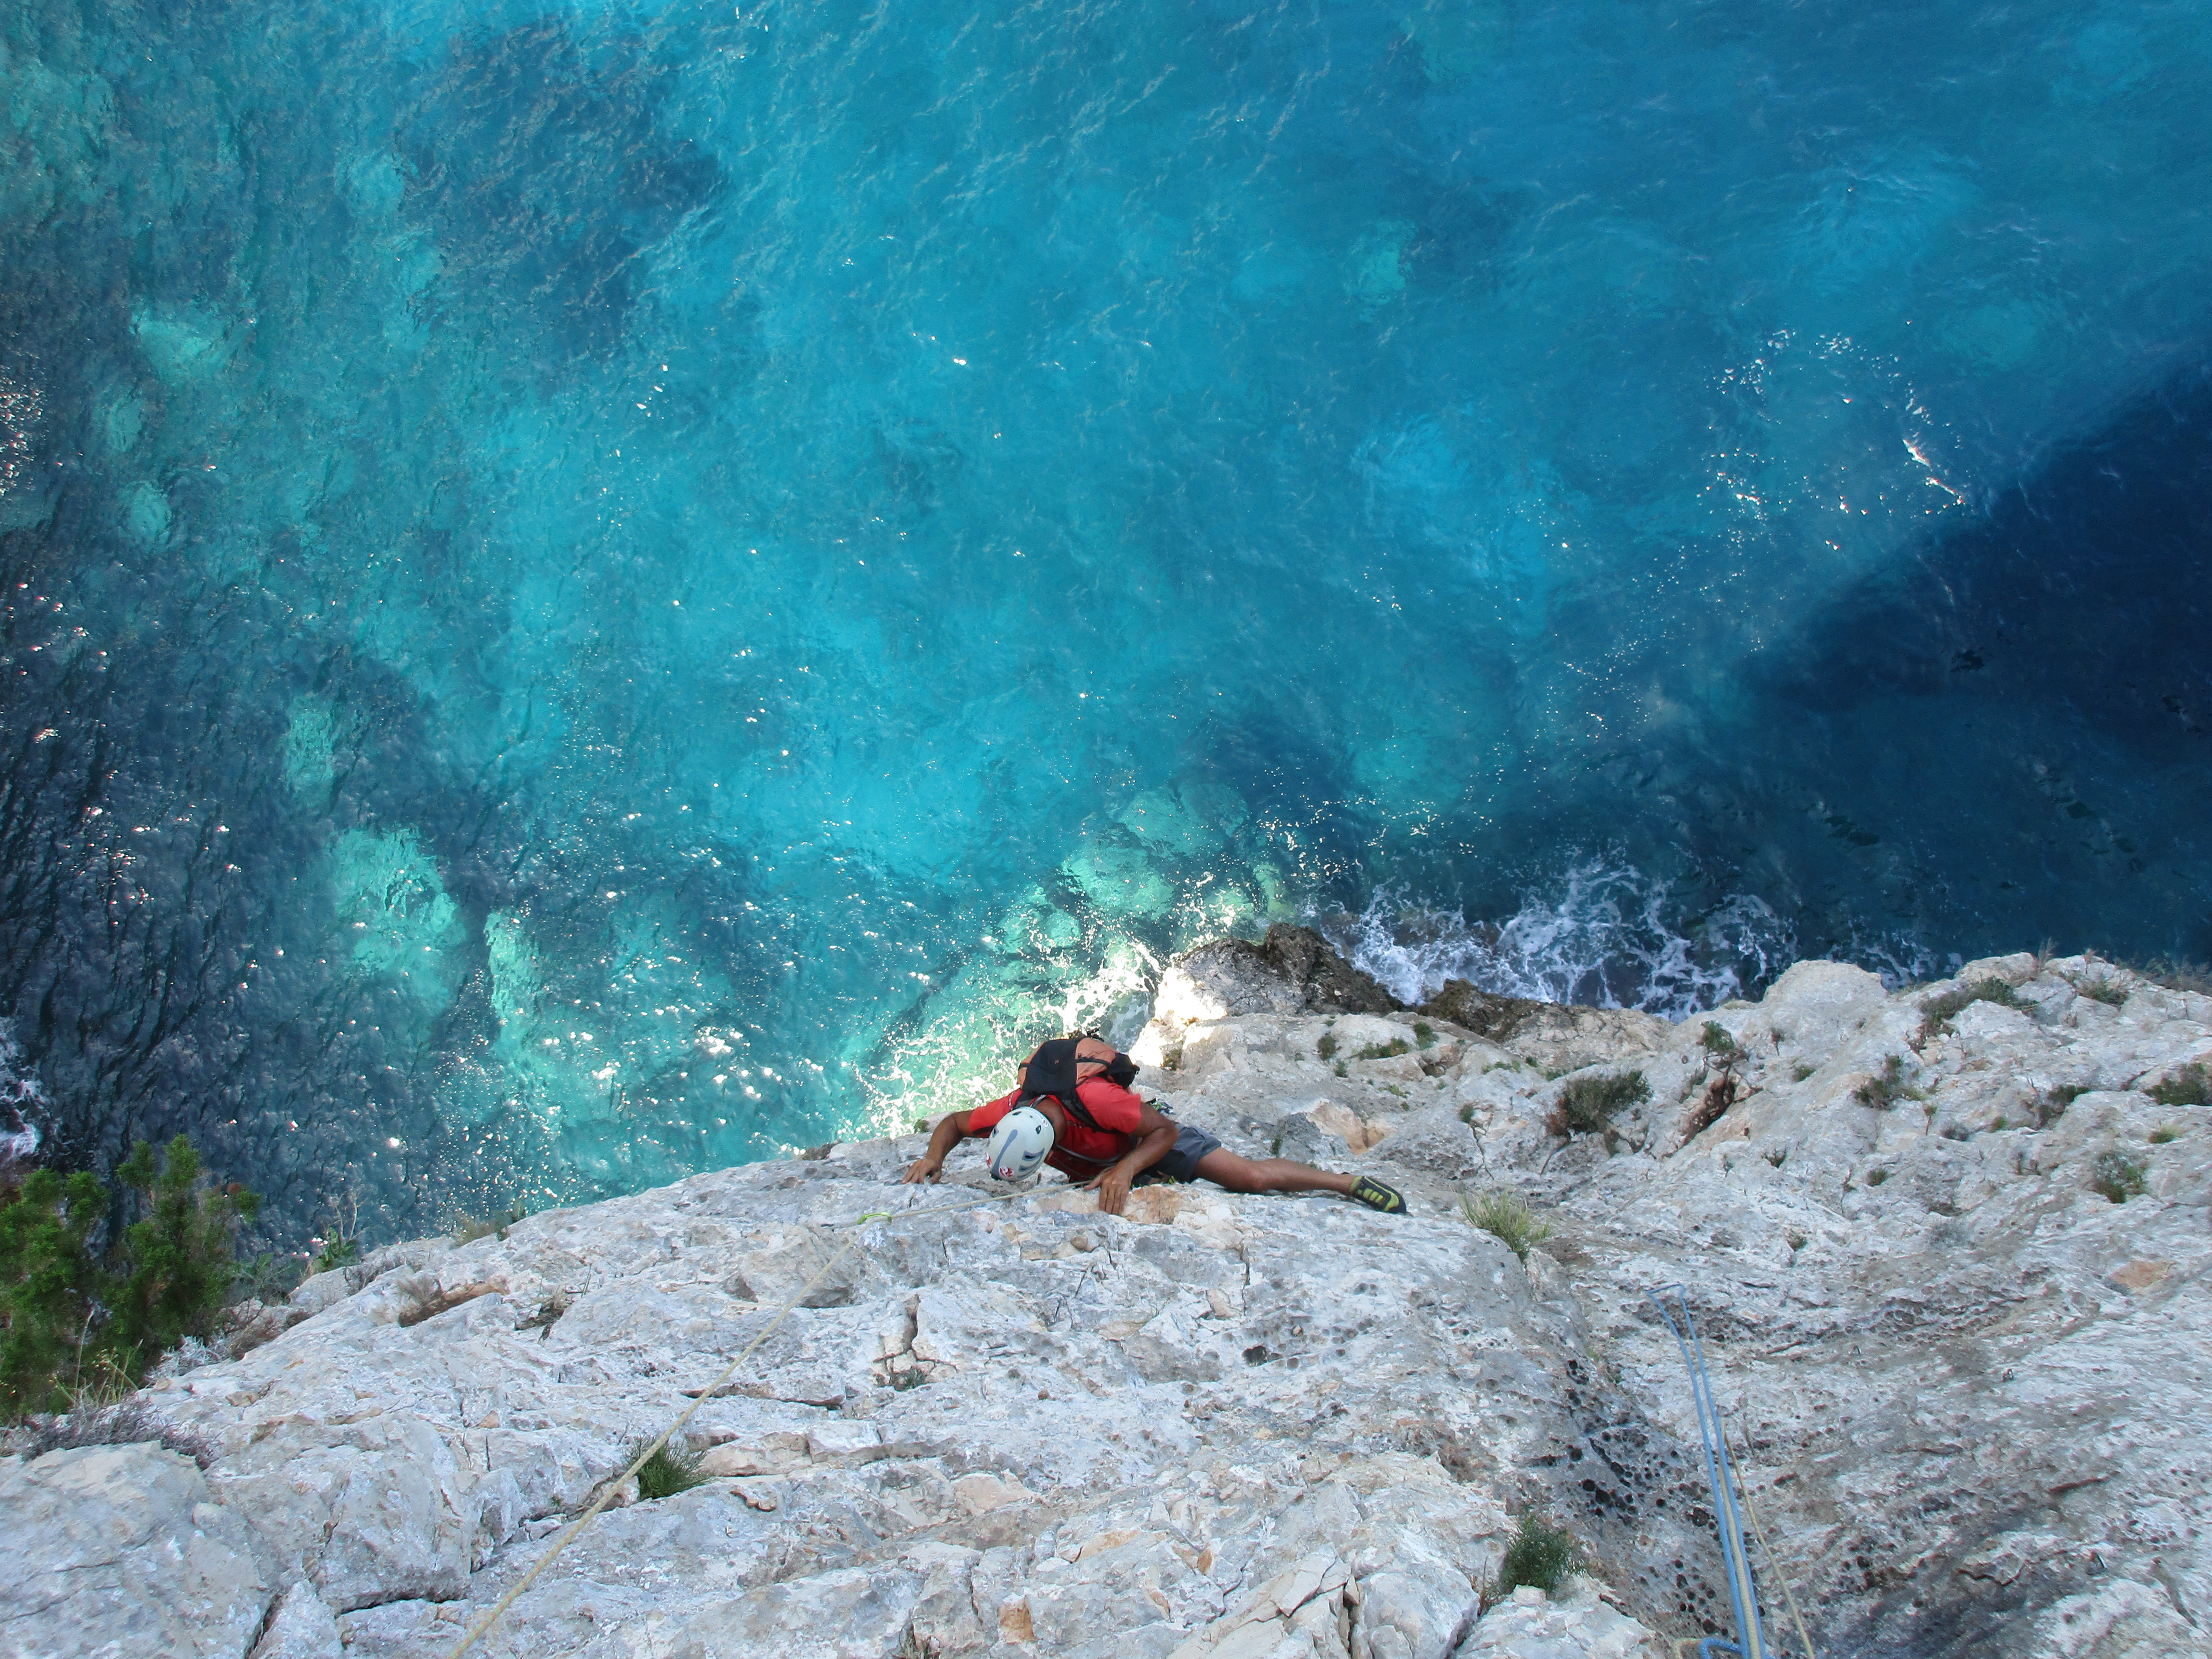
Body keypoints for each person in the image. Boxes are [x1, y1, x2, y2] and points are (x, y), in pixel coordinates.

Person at [902, 1033, 1405, 1217]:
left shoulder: (1100, 1101)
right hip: (1101, 1160)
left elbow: (1163, 1131)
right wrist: (932, 1157)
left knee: (1251, 1179)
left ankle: (1349, 1184)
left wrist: (1126, 1171)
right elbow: (953, 1123)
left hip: (1148, 1143)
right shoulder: (1012, 1107)